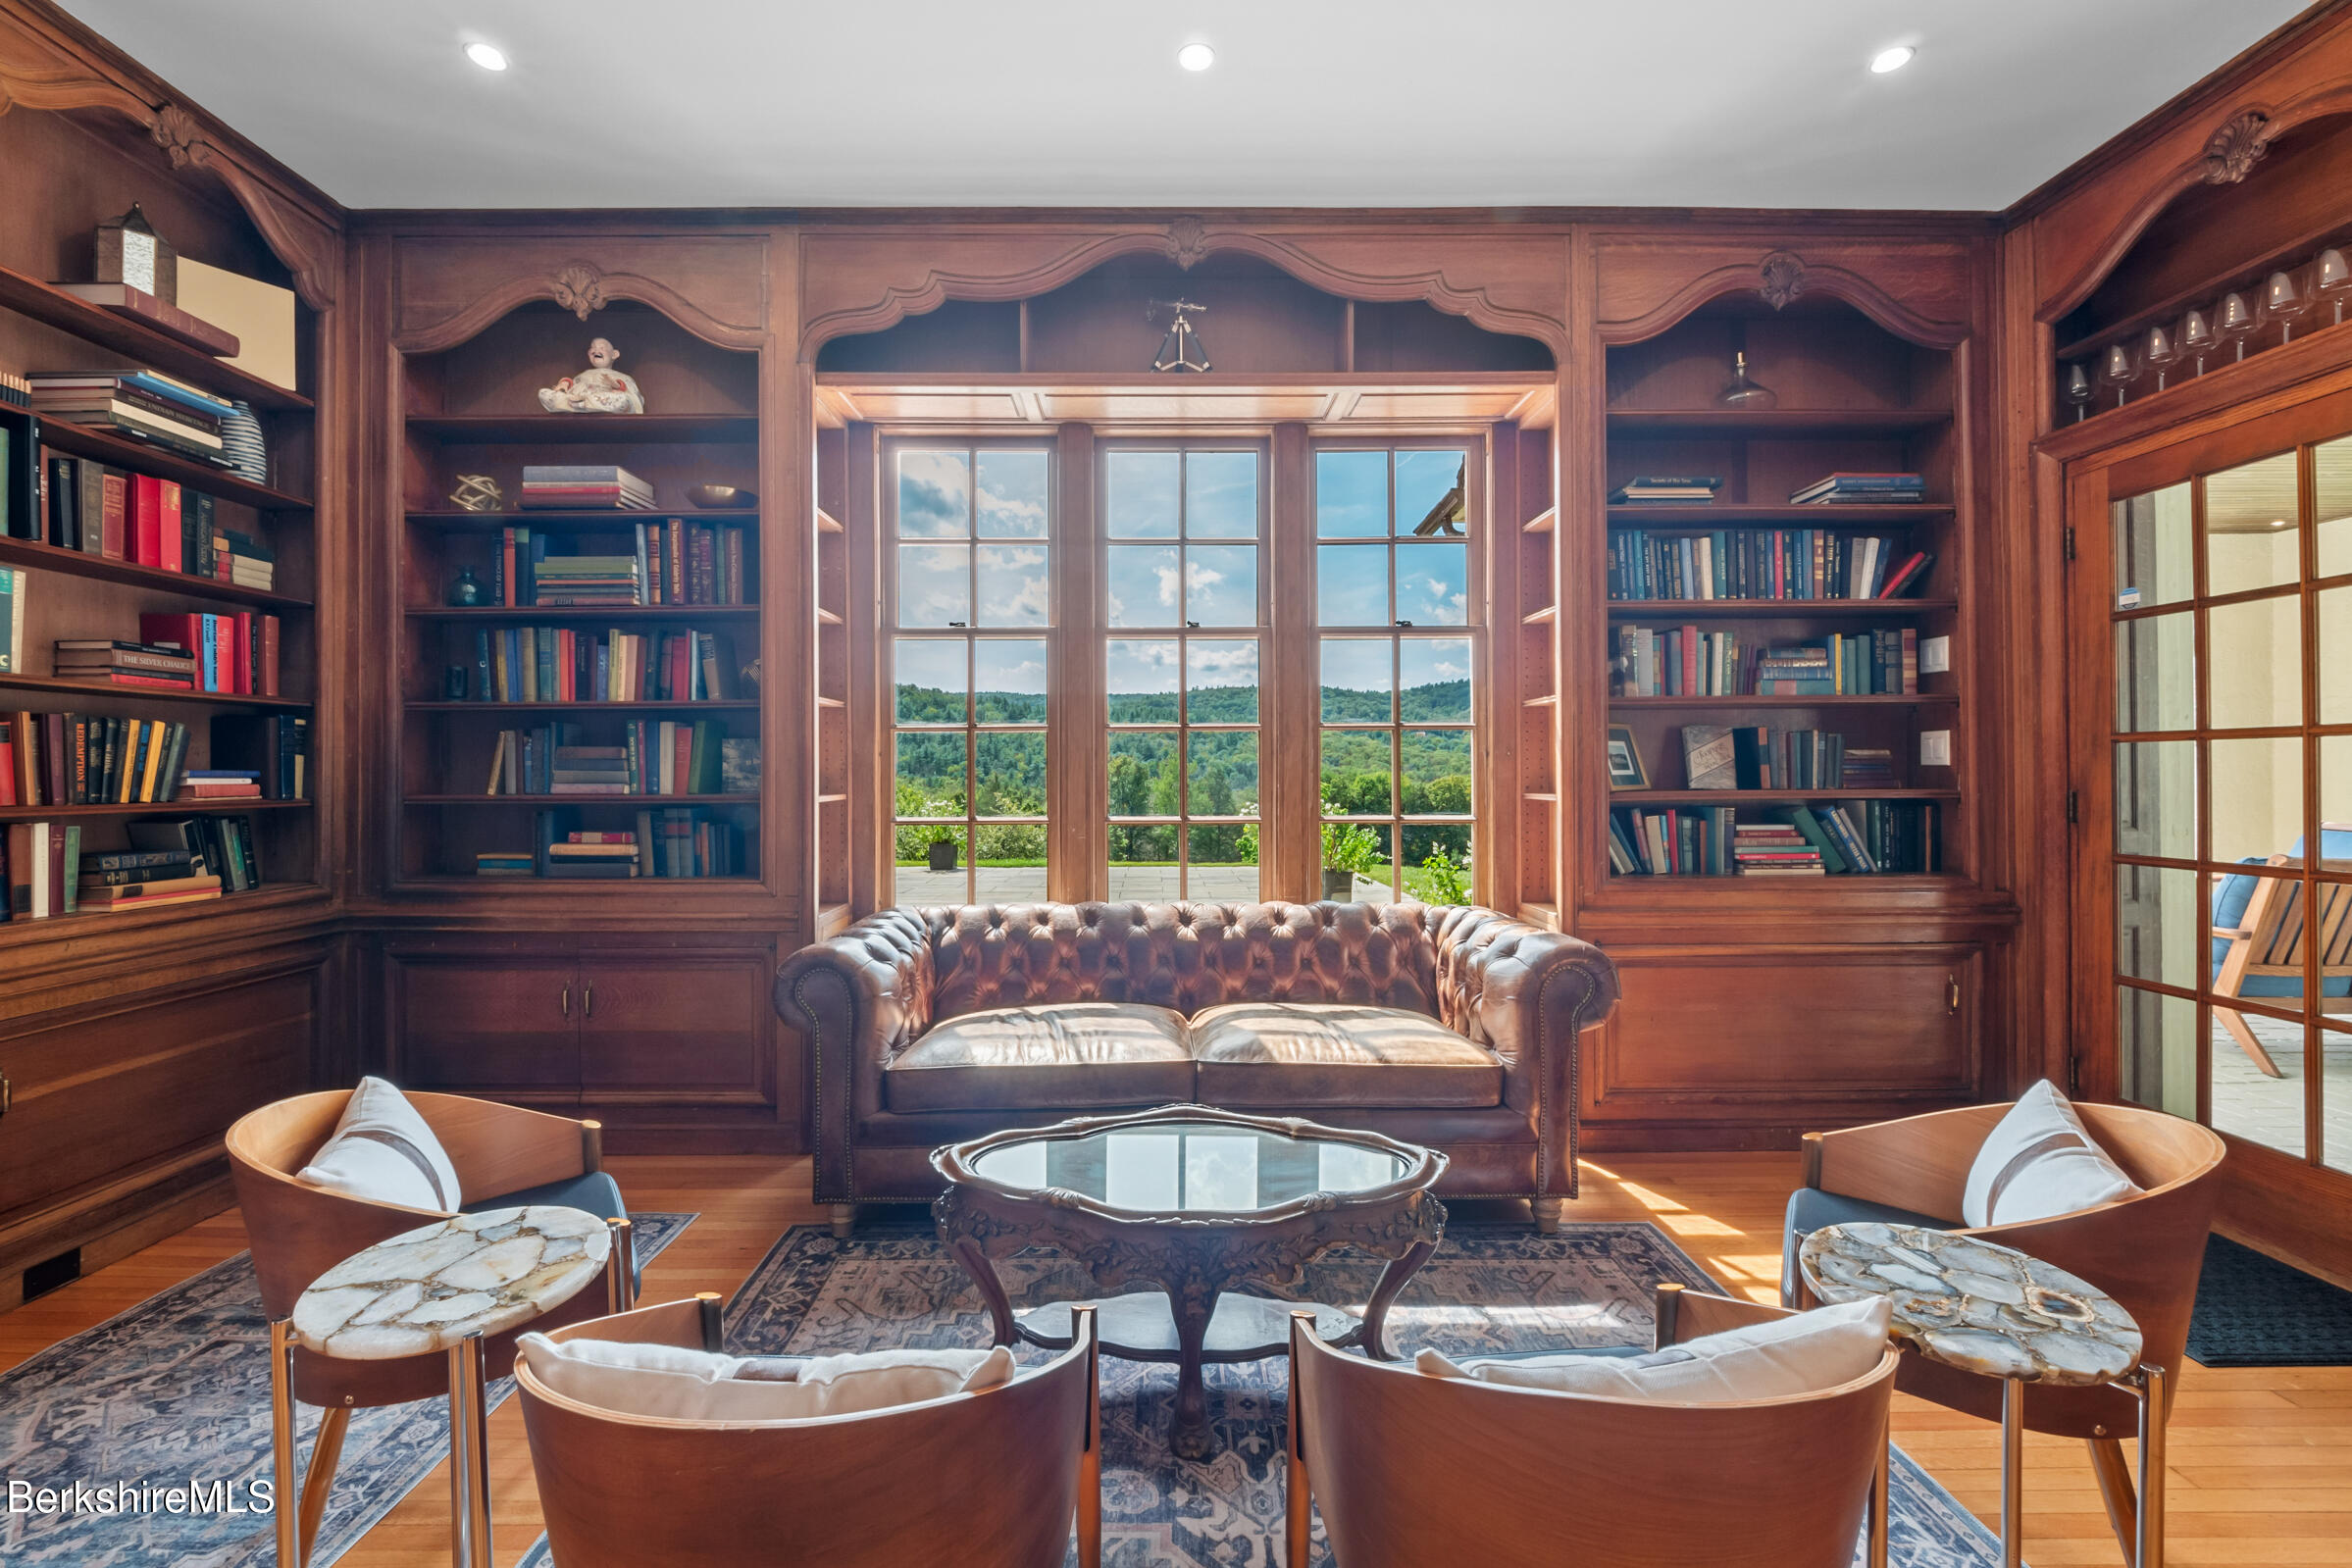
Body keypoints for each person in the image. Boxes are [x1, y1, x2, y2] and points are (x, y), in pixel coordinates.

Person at [538, 336, 644, 413]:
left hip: (600, 401)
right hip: (576, 399)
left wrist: (618, 386)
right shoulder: (584, 375)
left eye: (602, 348)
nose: (596, 351)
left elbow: (636, 399)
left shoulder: (624, 377)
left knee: (622, 400)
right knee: (543, 393)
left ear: (614, 354)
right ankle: (580, 405)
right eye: (592, 349)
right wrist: (565, 383)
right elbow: (571, 387)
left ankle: (584, 404)